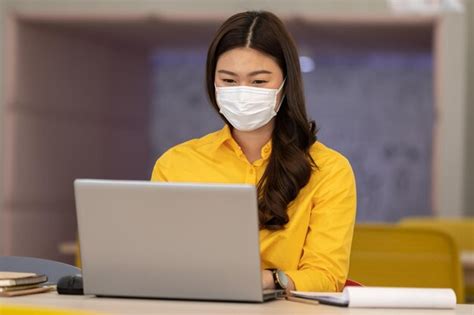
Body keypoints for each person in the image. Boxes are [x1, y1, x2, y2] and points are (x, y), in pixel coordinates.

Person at [151, 10, 356, 293]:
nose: (242, 92)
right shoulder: (174, 164)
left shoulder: (329, 170)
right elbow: (157, 261)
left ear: (286, 84)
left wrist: (271, 280)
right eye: (229, 81)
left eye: (259, 81)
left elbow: (327, 276)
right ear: (213, 81)